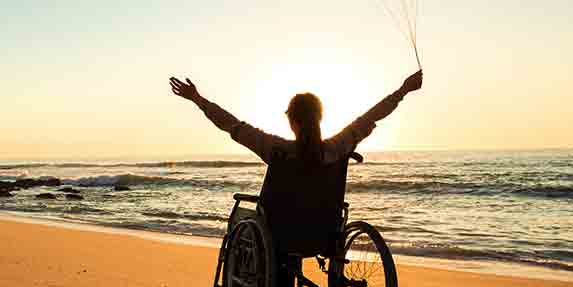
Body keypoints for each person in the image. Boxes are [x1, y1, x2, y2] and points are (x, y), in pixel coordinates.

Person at [169, 70, 423, 165]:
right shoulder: (336, 148)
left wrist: (197, 99)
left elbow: (230, 124)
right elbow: (371, 117)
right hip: (322, 229)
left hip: (279, 229)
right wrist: (403, 90)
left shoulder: (274, 148)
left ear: (292, 120)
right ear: (320, 117)